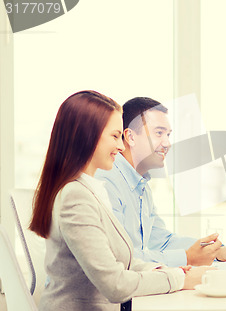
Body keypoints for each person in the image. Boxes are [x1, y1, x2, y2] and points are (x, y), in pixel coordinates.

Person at [29, 91, 211, 311]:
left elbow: (122, 261)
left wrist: (175, 271)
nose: (122, 146)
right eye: (115, 136)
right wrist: (180, 280)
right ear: (88, 136)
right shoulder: (75, 197)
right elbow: (115, 284)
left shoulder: (92, 190)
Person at [95, 97, 226, 268]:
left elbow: (162, 241)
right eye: (159, 133)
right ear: (130, 137)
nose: (167, 143)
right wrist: (186, 258)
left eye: (168, 135)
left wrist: (217, 251)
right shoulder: (106, 181)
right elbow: (121, 257)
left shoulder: (141, 185)